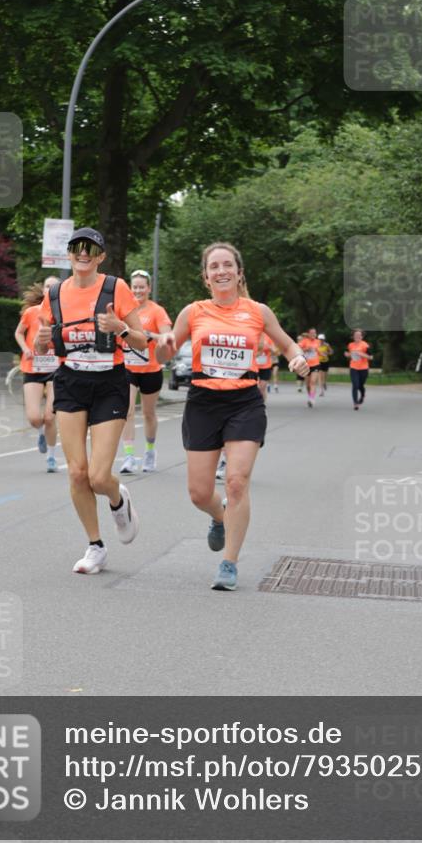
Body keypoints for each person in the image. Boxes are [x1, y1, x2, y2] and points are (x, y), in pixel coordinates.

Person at [156, 242, 310, 592]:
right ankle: (218, 516)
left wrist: (298, 358)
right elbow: (164, 351)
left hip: (244, 402)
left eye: (228, 265)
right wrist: (164, 342)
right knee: (199, 493)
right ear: (206, 277)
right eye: (214, 266)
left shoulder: (258, 311)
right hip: (203, 403)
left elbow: (288, 345)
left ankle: (229, 563)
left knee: (237, 482)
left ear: (240, 273)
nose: (221, 270)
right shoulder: (193, 312)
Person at [34, 227, 148, 575]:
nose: (82, 253)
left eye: (90, 249)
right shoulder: (54, 293)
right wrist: (40, 341)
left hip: (110, 382)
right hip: (71, 381)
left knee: (99, 477)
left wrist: (119, 327)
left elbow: (142, 342)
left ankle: (118, 499)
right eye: (76, 248)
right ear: (70, 254)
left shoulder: (116, 288)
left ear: (100, 256)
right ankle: (95, 546)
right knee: (78, 473)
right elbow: (42, 347)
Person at [119, 269, 172, 473]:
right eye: (135, 287)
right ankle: (129, 457)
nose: (138, 290)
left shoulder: (156, 311)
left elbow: (167, 337)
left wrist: (148, 334)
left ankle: (150, 451)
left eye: (142, 287)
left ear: (148, 288)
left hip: (151, 369)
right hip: (128, 368)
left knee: (149, 414)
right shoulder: (124, 310)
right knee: (128, 411)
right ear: (130, 289)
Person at [14, 276, 60, 472]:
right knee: (34, 417)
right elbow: (18, 333)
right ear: (43, 290)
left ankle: (51, 457)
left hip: (56, 369)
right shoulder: (32, 312)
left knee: (50, 416)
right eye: (47, 286)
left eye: (54, 286)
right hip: (33, 367)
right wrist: (25, 348)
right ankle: (41, 432)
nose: (50, 289)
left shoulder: (63, 313)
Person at [344, 329, 373, 410]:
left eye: (359, 335)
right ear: (353, 336)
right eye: (355, 335)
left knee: (360, 385)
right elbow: (347, 354)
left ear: (362, 336)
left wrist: (361, 354)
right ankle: (355, 403)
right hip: (353, 367)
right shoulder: (350, 345)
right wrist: (347, 355)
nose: (357, 336)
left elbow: (371, 357)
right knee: (355, 385)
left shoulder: (365, 345)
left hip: (364, 368)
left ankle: (363, 395)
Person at [298, 327, 320, 407]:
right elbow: (298, 349)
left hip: (315, 364)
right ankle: (310, 396)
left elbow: (319, 351)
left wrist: (322, 353)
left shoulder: (318, 342)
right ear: (308, 334)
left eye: (315, 333)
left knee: (313, 382)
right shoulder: (304, 341)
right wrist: (307, 349)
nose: (313, 334)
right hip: (306, 365)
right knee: (307, 385)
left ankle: (312, 399)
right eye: (312, 333)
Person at [255, 333, 274, 401]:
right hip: (255, 366)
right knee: (256, 388)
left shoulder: (268, 337)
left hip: (266, 366)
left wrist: (269, 346)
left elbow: (275, 352)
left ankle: (262, 404)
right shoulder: (254, 335)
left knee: (262, 388)